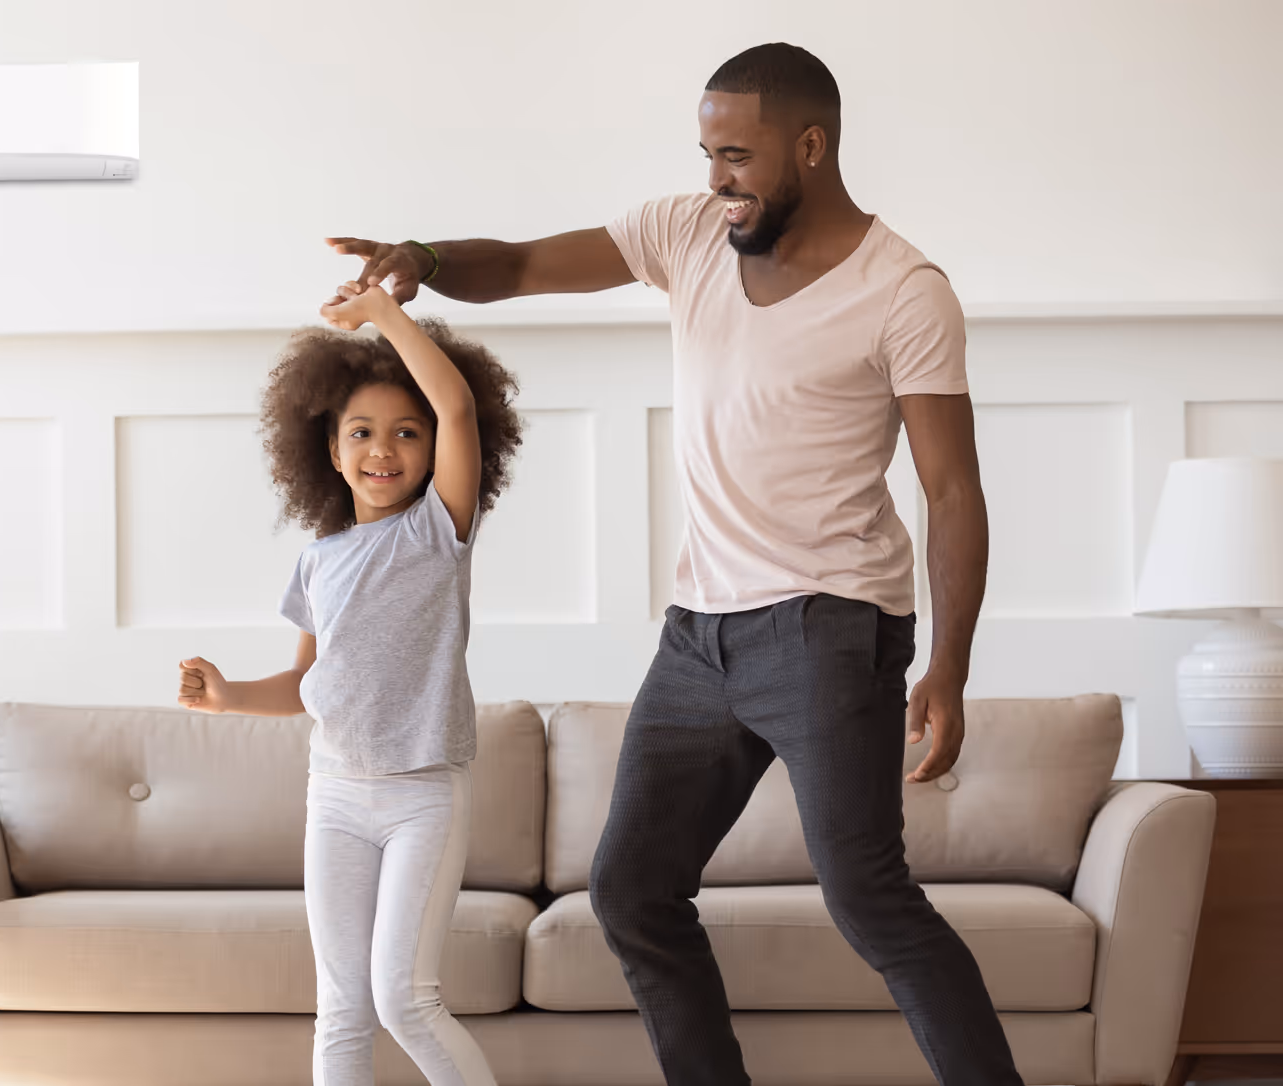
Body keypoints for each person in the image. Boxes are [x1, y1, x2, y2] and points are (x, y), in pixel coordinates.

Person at [324, 41, 1012, 1086]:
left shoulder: (903, 291)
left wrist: (949, 669)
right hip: (699, 636)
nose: (715, 180)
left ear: (812, 147)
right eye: (705, 152)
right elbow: (513, 265)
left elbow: (953, 491)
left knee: (870, 898)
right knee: (633, 889)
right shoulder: (688, 232)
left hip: (832, 629)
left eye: (736, 155)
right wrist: (421, 256)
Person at [175, 281, 524, 1086]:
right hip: (333, 795)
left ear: (434, 451)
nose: (383, 448)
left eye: (407, 433)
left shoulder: (440, 530)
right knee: (341, 1007)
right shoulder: (320, 559)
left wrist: (386, 317)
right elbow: (305, 681)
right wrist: (228, 695)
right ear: (330, 452)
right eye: (362, 432)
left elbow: (461, 410)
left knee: (404, 998)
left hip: (423, 795)